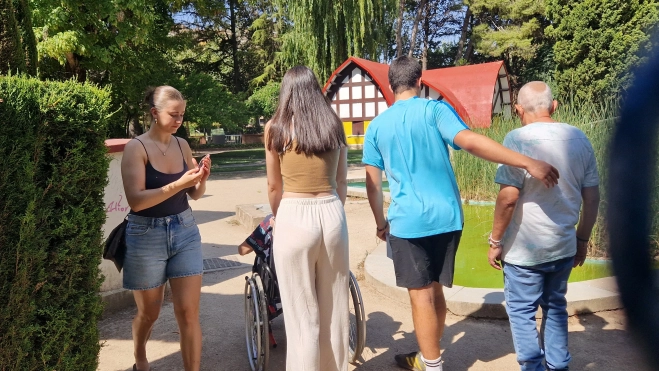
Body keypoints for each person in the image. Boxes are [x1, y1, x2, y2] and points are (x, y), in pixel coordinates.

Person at [362, 57, 560, 371]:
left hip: (407, 222)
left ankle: (431, 364)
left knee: (421, 295)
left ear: (390, 85)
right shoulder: (434, 110)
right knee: (435, 289)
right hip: (447, 218)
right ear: (420, 81)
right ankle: (430, 355)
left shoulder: (376, 126)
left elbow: (372, 184)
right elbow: (470, 142)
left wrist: (379, 222)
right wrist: (527, 162)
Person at [488, 81, 600, 371]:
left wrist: (495, 240)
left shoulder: (516, 139)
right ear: (554, 106)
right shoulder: (579, 138)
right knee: (555, 306)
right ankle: (558, 365)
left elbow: (508, 197)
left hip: (523, 252)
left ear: (518, 109)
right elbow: (592, 197)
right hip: (563, 246)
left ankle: (533, 367)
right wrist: (582, 240)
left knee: (522, 312)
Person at [265, 65, 349, 371]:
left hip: (294, 212)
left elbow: (274, 186)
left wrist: (279, 218)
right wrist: (333, 211)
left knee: (302, 315)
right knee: (334, 307)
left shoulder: (275, 127)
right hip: (331, 211)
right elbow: (341, 182)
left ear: (286, 92)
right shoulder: (334, 125)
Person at [121, 86, 211, 371]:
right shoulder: (136, 148)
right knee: (150, 313)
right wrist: (178, 184)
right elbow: (136, 201)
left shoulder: (182, 145)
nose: (178, 120)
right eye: (173, 114)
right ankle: (141, 358)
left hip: (184, 230)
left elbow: (194, 195)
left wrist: (201, 180)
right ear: (154, 113)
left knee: (188, 313)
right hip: (146, 234)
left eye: (182, 115)